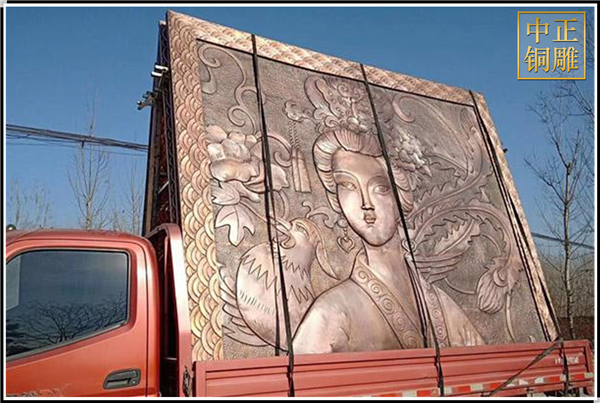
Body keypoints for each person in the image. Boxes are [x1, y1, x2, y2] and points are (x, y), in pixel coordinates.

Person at [292, 128, 484, 354]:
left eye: (380, 188)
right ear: (336, 200)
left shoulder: (442, 306)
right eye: (348, 186)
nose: (366, 203)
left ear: (400, 197)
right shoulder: (330, 311)